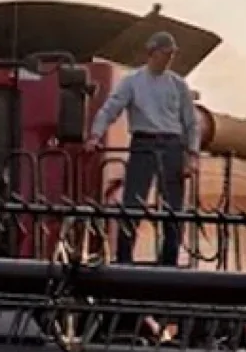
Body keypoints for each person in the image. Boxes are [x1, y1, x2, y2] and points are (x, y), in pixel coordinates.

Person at [86, 31, 200, 266]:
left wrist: (192, 155)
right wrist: (95, 134)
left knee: (173, 208)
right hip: (143, 143)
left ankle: (169, 262)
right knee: (133, 203)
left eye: (171, 55)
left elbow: (191, 122)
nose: (169, 59)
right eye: (164, 54)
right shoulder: (133, 81)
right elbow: (111, 108)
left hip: (172, 145)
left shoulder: (178, 85)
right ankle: (124, 259)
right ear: (152, 53)